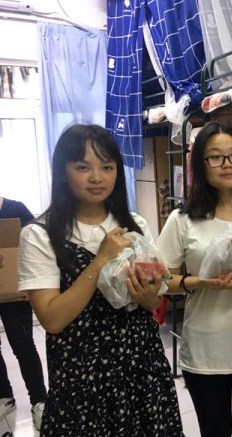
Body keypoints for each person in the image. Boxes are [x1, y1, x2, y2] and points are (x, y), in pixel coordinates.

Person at [17, 124, 183, 436]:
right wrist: (101, 259)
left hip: (142, 369)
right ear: (63, 172)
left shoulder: (135, 225)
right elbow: (52, 319)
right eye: (83, 167)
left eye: (107, 167)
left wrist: (146, 294)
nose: (97, 177)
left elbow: (153, 303)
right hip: (82, 381)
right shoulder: (40, 235)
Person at [156, 122, 232, 437]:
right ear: (201, 164)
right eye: (215, 157)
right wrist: (199, 282)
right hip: (205, 351)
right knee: (214, 430)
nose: (227, 164)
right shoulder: (183, 219)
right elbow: (160, 279)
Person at [0, 197, 47, 431]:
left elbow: (38, 244)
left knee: (23, 346)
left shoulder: (15, 209)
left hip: (15, 293)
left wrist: (33, 282)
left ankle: (39, 401)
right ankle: (4, 396)